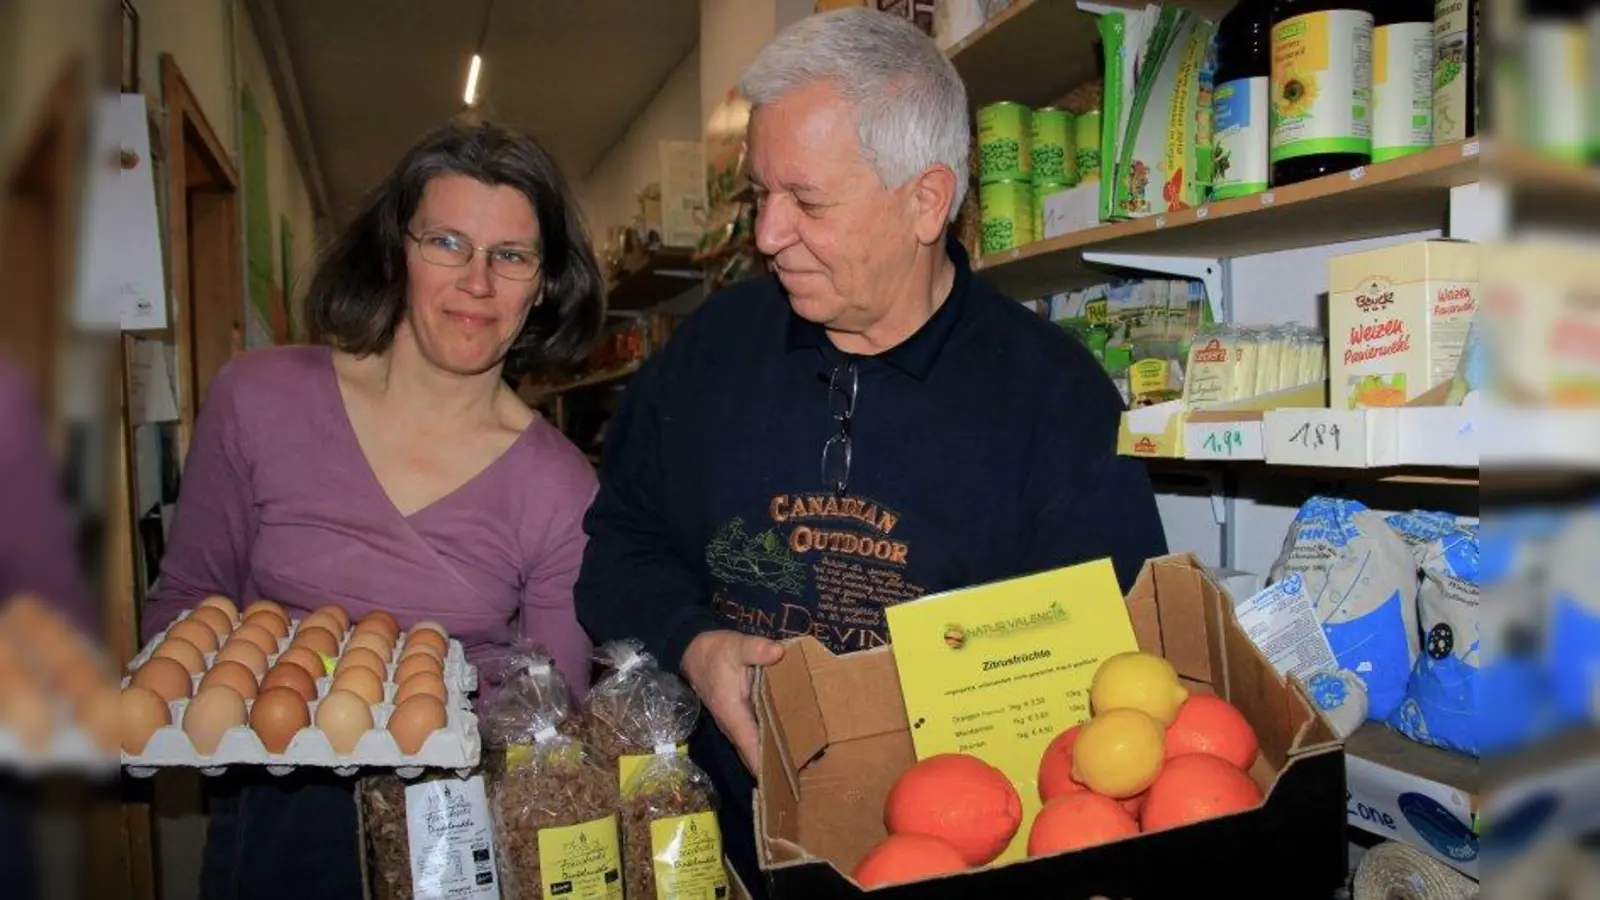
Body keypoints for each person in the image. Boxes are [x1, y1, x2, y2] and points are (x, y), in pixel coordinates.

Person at [574, 8, 1169, 894]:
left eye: (808, 202)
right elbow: (617, 552)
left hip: (958, 858)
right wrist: (692, 641)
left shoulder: (1054, 401)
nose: (768, 236)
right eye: (760, 196)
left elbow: (1112, 680)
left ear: (926, 200)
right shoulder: (706, 358)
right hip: (724, 857)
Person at [141, 120, 604, 898]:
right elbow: (183, 611)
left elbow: (550, 726)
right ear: (396, 250)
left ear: (547, 283)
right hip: (275, 812)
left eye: (511, 256)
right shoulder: (259, 401)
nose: (478, 282)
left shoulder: (561, 489)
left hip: (450, 835)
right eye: (447, 243)